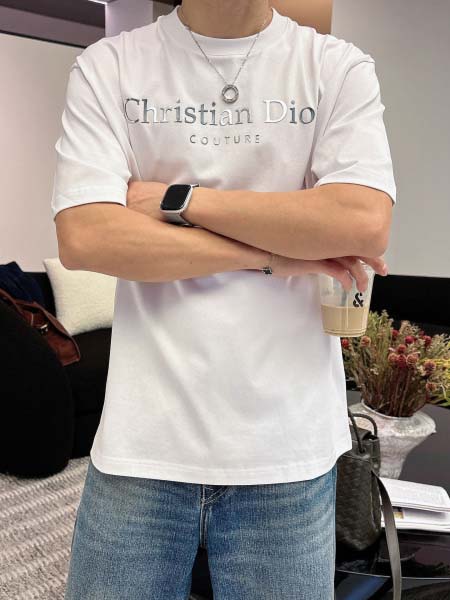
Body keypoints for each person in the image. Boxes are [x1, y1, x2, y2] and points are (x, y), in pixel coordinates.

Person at [52, 0, 396, 598]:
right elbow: (86, 236)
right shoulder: (111, 64)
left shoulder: (335, 66)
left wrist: (177, 199)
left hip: (288, 455)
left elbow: (361, 222)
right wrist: (274, 256)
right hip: (141, 447)